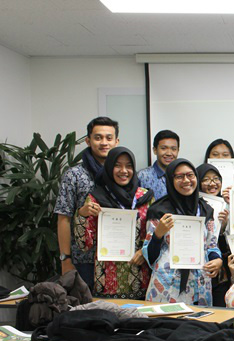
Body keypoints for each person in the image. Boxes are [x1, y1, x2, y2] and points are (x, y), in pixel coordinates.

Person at [73, 146, 153, 299]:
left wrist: (145, 251)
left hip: (140, 276)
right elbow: (85, 245)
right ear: (109, 168)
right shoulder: (96, 198)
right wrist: (82, 215)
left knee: (139, 322)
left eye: (129, 166)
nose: (124, 170)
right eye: (117, 165)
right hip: (107, 280)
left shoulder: (145, 198)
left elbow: (154, 233)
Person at [143, 159, 223, 306]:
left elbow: (212, 245)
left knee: (200, 326)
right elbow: (149, 256)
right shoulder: (159, 211)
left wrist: (217, 260)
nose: (186, 180)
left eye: (190, 175)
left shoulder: (205, 210)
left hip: (200, 285)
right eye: (179, 176)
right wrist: (158, 235)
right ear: (170, 180)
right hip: (167, 287)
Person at [55, 116, 120, 288]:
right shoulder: (74, 175)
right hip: (84, 259)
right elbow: (64, 218)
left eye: (109, 138)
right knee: (86, 310)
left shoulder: (123, 175)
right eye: (98, 137)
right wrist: (65, 259)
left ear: (116, 141)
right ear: (88, 140)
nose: (104, 142)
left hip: (118, 259)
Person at [196, 162, 233, 306]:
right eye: (206, 179)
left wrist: (222, 227)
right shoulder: (193, 206)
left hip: (220, 271)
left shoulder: (225, 205)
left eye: (216, 179)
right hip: (199, 268)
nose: (212, 183)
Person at [138, 129, 180, 200]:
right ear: (155, 150)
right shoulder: (142, 176)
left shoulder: (182, 176)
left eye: (173, 149)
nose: (169, 153)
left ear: (178, 151)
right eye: (163, 148)